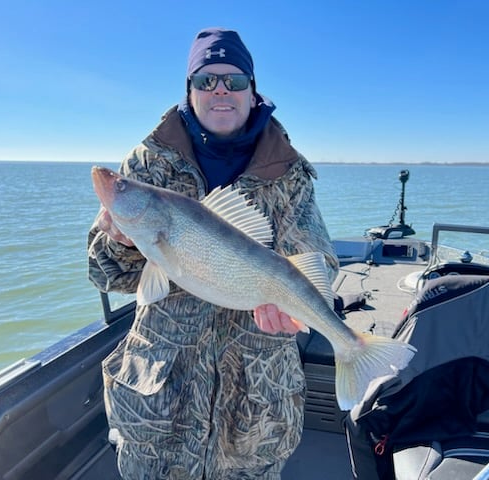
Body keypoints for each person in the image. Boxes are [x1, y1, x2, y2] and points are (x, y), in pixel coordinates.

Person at [87, 27, 338, 479]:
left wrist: (298, 308)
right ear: (190, 89)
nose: (220, 90)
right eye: (206, 80)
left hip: (257, 400)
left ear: (252, 89)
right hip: (158, 399)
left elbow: (317, 257)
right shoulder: (148, 164)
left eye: (234, 80)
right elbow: (106, 273)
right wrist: (118, 241)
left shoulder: (290, 173)